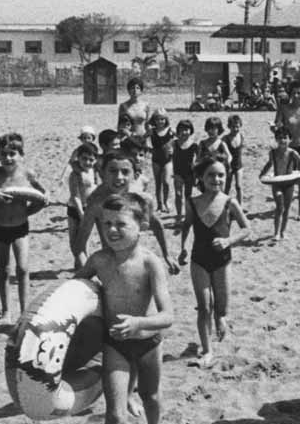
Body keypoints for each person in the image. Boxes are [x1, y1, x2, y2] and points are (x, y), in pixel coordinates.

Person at [73, 193, 173, 424]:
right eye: (106, 224)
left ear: (141, 226)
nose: (112, 230)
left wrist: (139, 323)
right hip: (114, 344)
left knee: (151, 396)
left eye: (120, 224)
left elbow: (168, 316)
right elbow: (74, 289)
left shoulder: (150, 263)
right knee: (115, 417)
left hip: (147, 342)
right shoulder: (99, 260)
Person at [178, 155, 249, 367]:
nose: (216, 179)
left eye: (221, 175)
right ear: (201, 177)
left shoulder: (229, 202)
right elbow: (187, 225)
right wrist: (183, 248)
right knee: (204, 307)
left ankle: (221, 317)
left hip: (222, 261)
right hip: (199, 260)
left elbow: (247, 229)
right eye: (211, 175)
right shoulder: (193, 202)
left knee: (222, 306)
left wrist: (228, 241)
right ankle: (207, 351)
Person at [0, 133, 48, 320]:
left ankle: (24, 311)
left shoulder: (27, 173)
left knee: (23, 268)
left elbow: (42, 194)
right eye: (3, 154)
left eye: (12, 154)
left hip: (21, 227)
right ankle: (6, 311)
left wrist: (35, 206)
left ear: (21, 155)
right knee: (3, 269)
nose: (8, 158)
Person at [74, 151, 179, 275]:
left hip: (137, 264)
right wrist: (85, 272)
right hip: (109, 266)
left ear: (135, 174)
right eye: (113, 171)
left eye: (125, 172)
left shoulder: (142, 200)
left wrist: (167, 255)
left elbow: (156, 225)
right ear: (102, 174)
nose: (119, 177)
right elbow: (80, 246)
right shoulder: (97, 203)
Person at [260, 125, 300, 239]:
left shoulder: (292, 152)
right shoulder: (273, 152)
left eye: (285, 138)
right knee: (279, 207)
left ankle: (283, 232)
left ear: (290, 139)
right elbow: (269, 164)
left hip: (289, 183)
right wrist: (262, 174)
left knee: (286, 208)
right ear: (276, 139)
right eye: (280, 138)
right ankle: (276, 233)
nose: (282, 140)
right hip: (277, 183)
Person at [67, 143, 99, 268]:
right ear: (78, 158)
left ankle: (84, 267)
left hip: (89, 208)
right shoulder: (75, 174)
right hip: (75, 209)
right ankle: (80, 265)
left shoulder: (94, 171)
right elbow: (75, 196)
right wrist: (81, 213)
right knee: (73, 241)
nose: (87, 162)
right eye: (84, 158)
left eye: (91, 159)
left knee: (84, 241)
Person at [273, 80, 300, 162]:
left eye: (299, 93)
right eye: (293, 93)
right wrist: (274, 128)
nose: (296, 95)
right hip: (288, 147)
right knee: (290, 170)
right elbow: (278, 128)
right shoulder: (283, 109)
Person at [171, 119, 197, 226]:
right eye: (181, 130)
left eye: (187, 129)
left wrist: (196, 173)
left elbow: (198, 160)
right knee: (178, 195)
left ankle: (187, 216)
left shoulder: (194, 145)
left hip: (189, 174)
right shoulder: (174, 143)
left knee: (188, 196)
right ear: (178, 131)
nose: (184, 132)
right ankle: (178, 216)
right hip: (177, 173)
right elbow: (168, 154)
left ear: (191, 131)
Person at [148, 109, 174, 213]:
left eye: (162, 119)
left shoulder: (171, 130)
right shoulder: (152, 131)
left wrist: (174, 149)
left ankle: (166, 202)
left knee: (166, 182)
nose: (160, 121)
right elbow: (142, 139)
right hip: (156, 159)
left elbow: (180, 140)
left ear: (166, 119)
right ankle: (159, 205)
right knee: (158, 183)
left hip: (168, 160)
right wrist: (148, 148)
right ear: (154, 120)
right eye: (158, 119)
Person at [222, 114, 245, 203]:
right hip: (228, 166)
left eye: (237, 127)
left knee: (239, 186)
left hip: (239, 165)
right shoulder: (225, 139)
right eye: (233, 127)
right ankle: (224, 205)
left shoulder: (241, 136)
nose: (235, 129)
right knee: (227, 187)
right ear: (229, 127)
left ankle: (240, 206)